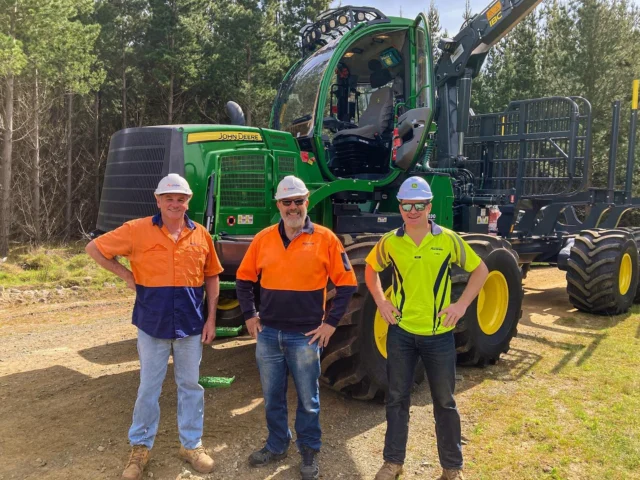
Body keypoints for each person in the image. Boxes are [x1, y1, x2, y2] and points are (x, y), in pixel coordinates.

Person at [85, 173, 222, 480]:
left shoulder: (201, 235)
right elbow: (95, 248)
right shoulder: (136, 231)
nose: (175, 203)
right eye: (169, 198)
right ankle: (140, 449)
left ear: (188, 202)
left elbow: (212, 276)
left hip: (190, 325)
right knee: (149, 387)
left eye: (181, 199)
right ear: (158, 200)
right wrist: (127, 276)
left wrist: (211, 318)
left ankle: (191, 446)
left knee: (190, 386)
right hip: (152, 324)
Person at [365, 176, 489, 480]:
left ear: (429, 206)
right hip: (402, 334)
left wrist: (461, 306)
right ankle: (393, 462)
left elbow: (481, 270)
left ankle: (452, 468)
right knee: (396, 399)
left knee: (445, 402)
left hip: (439, 336)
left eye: (419, 204)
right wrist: (382, 302)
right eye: (407, 204)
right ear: (400, 206)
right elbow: (370, 270)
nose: (412, 210)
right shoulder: (391, 241)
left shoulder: (447, 239)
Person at [235, 175, 357, 480]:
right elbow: (243, 279)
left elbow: (347, 284)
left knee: (308, 399)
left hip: (306, 336)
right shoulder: (263, 239)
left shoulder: (326, 239)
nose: (293, 207)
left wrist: (330, 324)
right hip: (268, 335)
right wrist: (250, 316)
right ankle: (277, 444)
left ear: (307, 203)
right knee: (272, 396)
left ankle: (308, 449)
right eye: (287, 202)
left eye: (298, 201)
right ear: (278, 204)